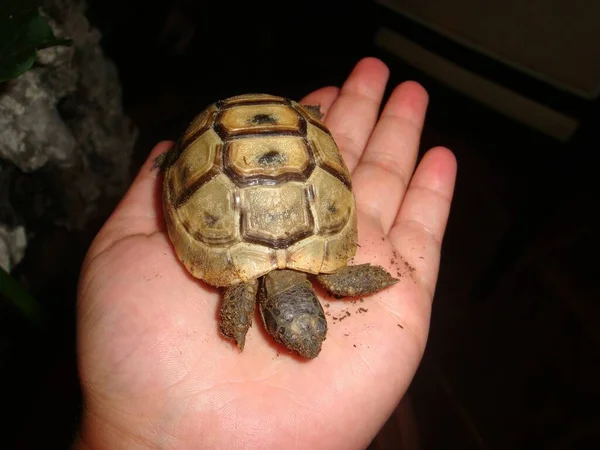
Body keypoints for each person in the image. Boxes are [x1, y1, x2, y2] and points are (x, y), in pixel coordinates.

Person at [73, 57, 457, 449]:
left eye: (297, 334)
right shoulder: (288, 284)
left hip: (282, 125)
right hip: (257, 126)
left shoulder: (253, 286)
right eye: (300, 333)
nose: (309, 347)